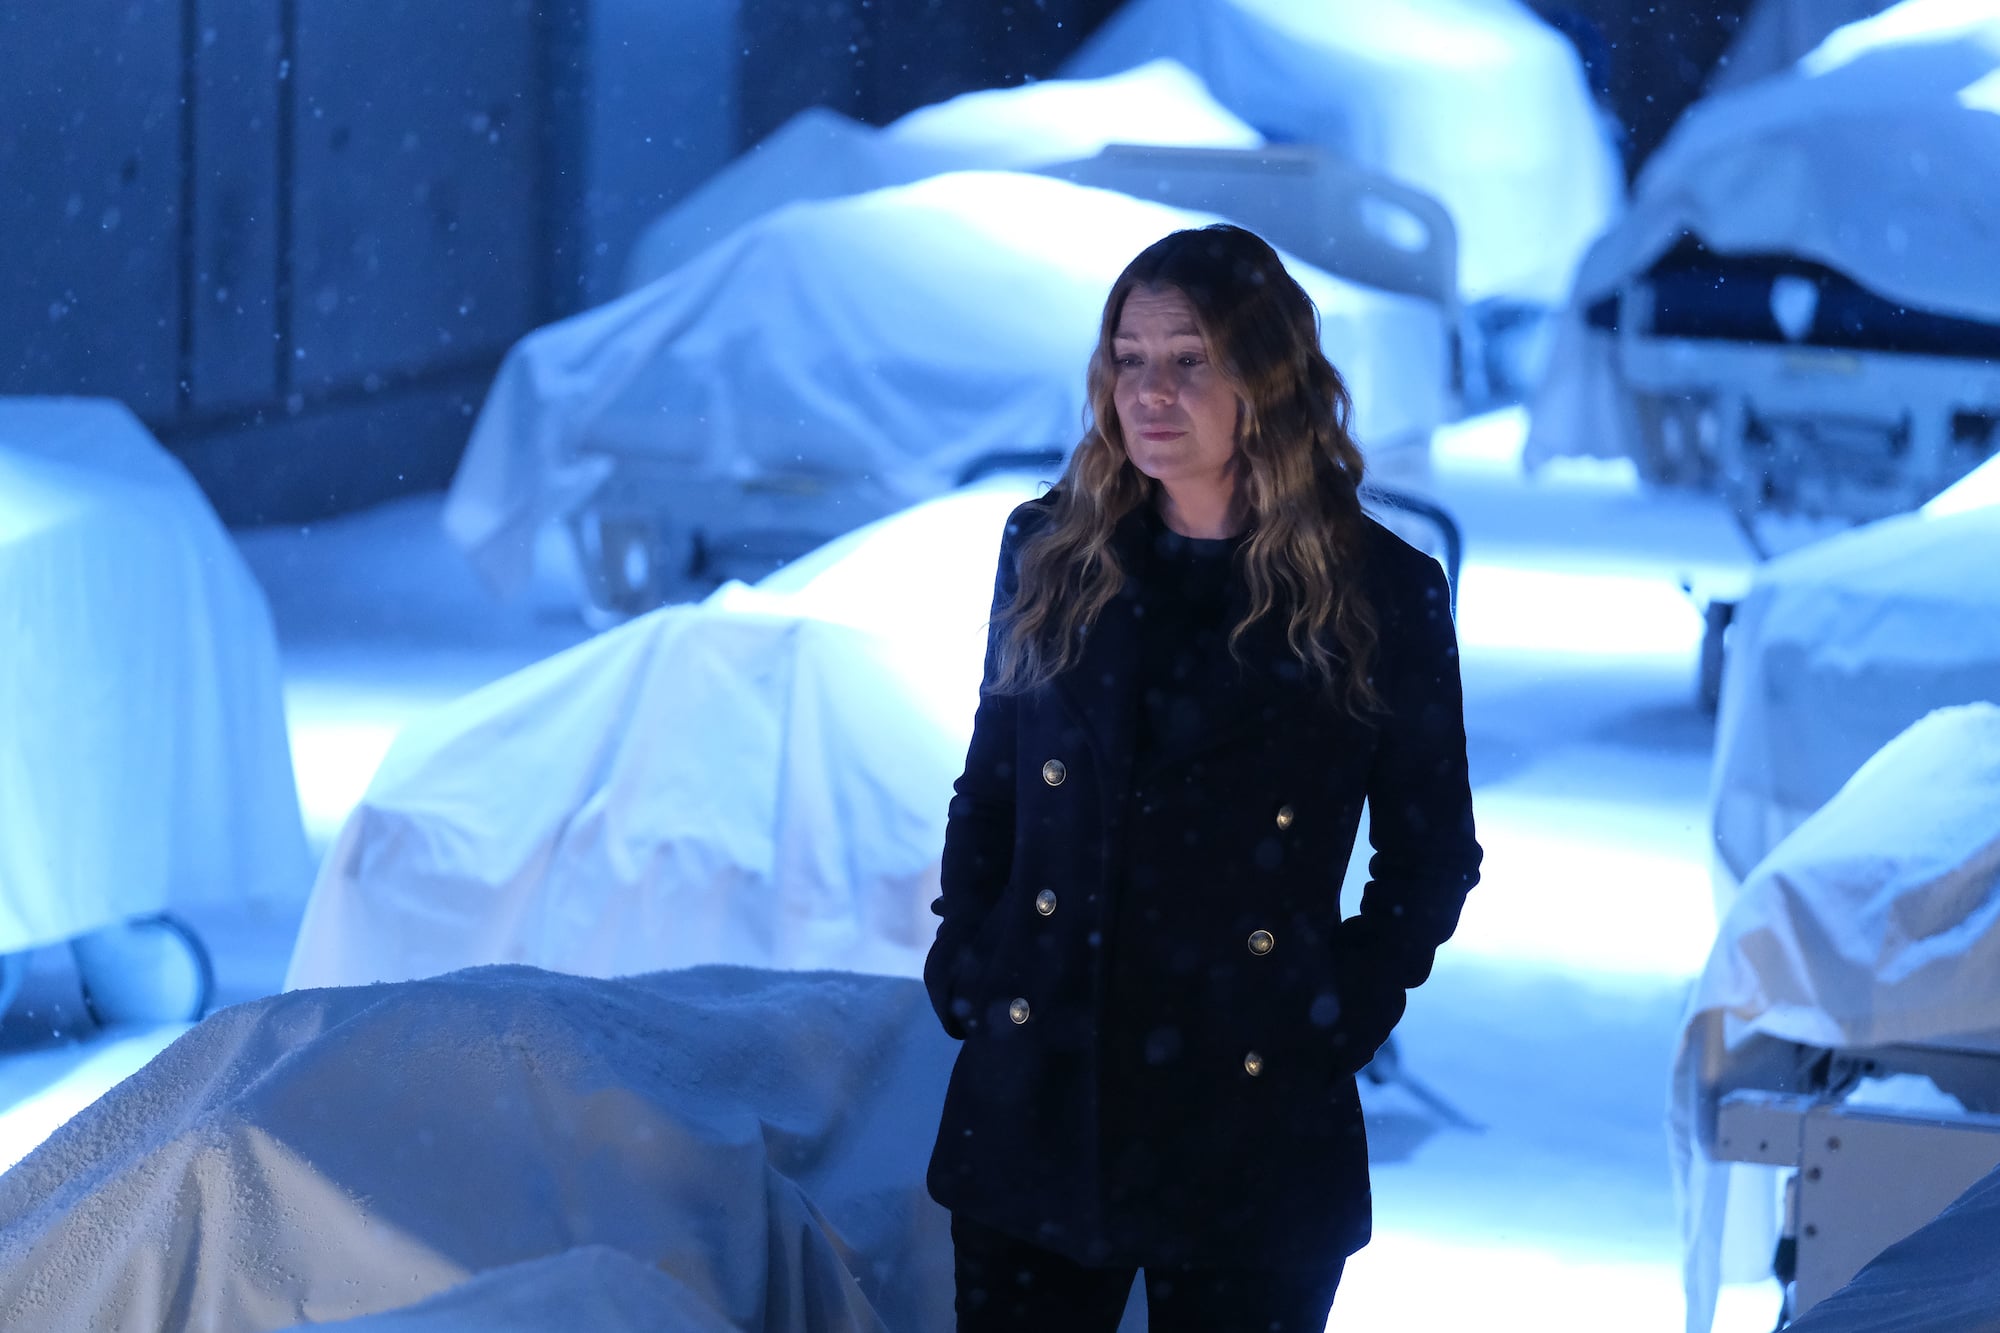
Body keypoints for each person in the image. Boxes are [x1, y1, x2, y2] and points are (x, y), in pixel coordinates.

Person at [922, 224, 1482, 1332]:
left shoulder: (1377, 591)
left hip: (1252, 1106)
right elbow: (991, 787)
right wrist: (970, 961)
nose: (1150, 392)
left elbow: (1430, 855)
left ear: (1264, 377)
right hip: (1042, 1085)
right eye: (1128, 359)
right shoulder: (1052, 552)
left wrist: (1335, 1013)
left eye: (1189, 360)